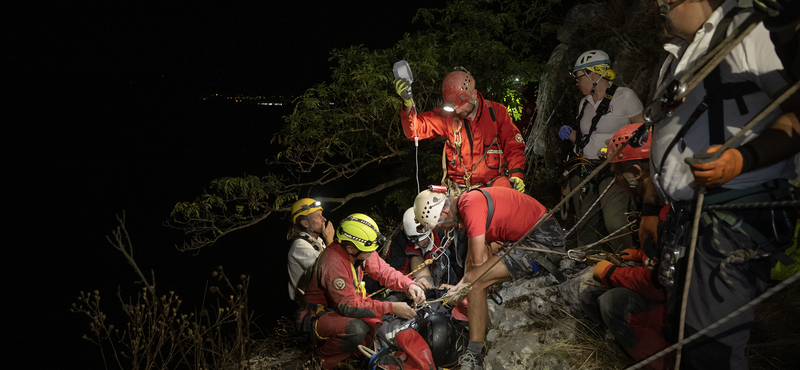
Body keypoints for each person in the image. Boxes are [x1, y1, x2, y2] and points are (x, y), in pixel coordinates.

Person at [651, 1, 799, 368]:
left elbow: (797, 110)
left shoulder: (751, 31)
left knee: (709, 351)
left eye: (667, 3)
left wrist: (741, 159)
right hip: (692, 218)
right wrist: (650, 207)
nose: (660, 7)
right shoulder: (679, 54)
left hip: (733, 213)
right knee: (685, 336)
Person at [413, 187, 566, 370]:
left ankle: (474, 353)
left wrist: (462, 289)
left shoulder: (471, 207)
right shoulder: (468, 203)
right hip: (535, 236)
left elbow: (476, 265)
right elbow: (471, 264)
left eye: (440, 224)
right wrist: (460, 288)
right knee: (473, 281)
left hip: (542, 240)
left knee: (477, 283)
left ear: (445, 212)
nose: (443, 229)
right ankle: (476, 343)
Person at [580, 124, 673, 370]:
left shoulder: (668, 212)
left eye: (615, 174)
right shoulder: (655, 204)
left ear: (634, 172)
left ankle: (668, 363)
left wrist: (611, 272)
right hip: (669, 293)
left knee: (614, 303)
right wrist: (640, 254)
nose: (615, 181)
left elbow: (657, 282)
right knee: (591, 296)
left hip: (677, 305)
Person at [301, 213, 426, 370]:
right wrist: (391, 308)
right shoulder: (332, 261)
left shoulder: (359, 251)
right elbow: (347, 306)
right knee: (356, 329)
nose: (371, 254)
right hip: (318, 315)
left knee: (375, 328)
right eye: (368, 251)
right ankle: (320, 362)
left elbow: (384, 272)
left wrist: (409, 285)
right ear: (350, 248)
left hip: (340, 308)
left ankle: (352, 358)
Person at [557, 50, 645, 252]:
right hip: (584, 168)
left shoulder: (625, 96)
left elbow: (642, 131)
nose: (577, 83)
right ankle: (585, 264)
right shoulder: (584, 103)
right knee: (584, 223)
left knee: (615, 222)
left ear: (593, 75)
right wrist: (571, 134)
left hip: (612, 168)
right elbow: (586, 136)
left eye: (579, 77)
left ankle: (627, 262)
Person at [394, 67, 527, 194]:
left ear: (474, 95)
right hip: (460, 189)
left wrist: (517, 175)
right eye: (453, 107)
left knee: (511, 200)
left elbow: (513, 146)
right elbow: (414, 131)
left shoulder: (497, 112)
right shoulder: (448, 117)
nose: (457, 111)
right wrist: (408, 103)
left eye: (460, 106)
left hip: (493, 184)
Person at [385, 207, 458, 291]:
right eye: (415, 240)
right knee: (415, 258)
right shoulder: (400, 239)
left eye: (423, 238)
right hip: (410, 283)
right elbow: (395, 270)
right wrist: (412, 282)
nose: (420, 243)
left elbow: (451, 264)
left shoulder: (442, 235)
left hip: (440, 282)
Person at [287, 198, 334, 302]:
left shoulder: (319, 241)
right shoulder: (300, 245)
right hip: (307, 308)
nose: (324, 219)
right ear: (305, 223)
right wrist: (330, 241)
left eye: (322, 215)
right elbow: (329, 269)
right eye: (318, 216)